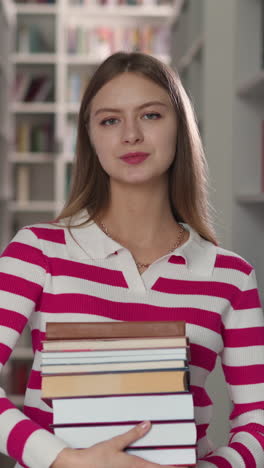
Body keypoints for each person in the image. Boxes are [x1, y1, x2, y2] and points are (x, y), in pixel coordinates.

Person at [0, 51, 263, 468]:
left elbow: (257, 423)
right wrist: (65, 459)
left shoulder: (231, 277)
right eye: (109, 120)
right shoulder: (38, 250)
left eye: (151, 115)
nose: (130, 135)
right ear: (90, 138)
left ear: (181, 127)